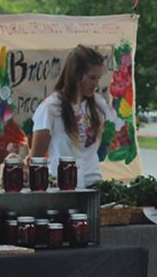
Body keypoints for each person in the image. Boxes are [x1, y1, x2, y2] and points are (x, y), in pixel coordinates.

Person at [30, 45, 111, 189]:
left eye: (99, 78)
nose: (96, 84)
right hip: (62, 185)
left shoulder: (98, 104)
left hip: (93, 182)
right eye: (92, 78)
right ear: (76, 75)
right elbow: (36, 158)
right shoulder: (51, 107)